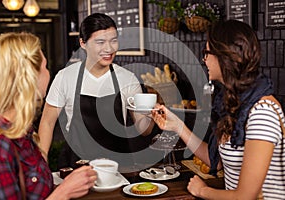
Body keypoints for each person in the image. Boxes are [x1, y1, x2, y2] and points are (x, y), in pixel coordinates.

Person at [152, 19, 285, 199]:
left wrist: (202, 190)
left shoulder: (262, 113)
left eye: (206, 52)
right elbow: (216, 160)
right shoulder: (234, 104)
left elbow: (246, 196)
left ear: (224, 56)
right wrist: (177, 126)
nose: (204, 59)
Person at [0, 32, 97, 199]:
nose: (48, 73)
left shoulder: (23, 131)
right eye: (44, 67)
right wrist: (63, 192)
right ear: (29, 77)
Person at [38, 13, 155, 168]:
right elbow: (47, 122)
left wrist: (151, 115)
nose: (109, 48)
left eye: (113, 41)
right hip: (78, 167)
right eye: (100, 42)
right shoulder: (66, 77)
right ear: (83, 43)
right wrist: (41, 165)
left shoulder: (127, 78)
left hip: (119, 168)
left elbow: (143, 129)